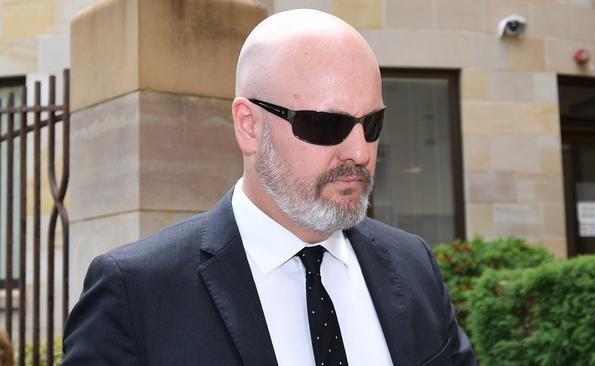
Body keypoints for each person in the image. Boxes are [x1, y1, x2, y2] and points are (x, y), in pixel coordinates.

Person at [62, 9, 476, 366]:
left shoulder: (413, 265)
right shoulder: (138, 293)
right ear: (249, 125)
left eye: (371, 124)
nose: (360, 151)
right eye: (325, 124)